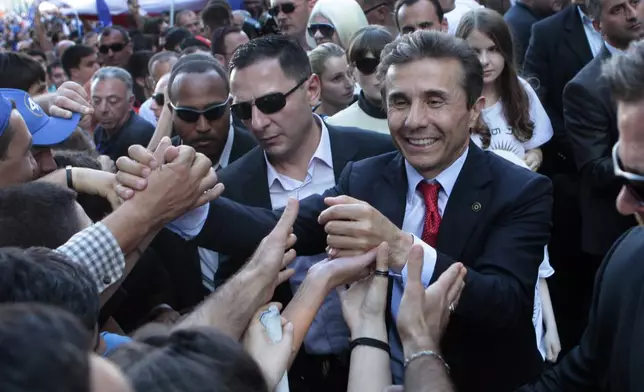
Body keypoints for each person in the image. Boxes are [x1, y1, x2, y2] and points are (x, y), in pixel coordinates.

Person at [116, 30, 552, 392]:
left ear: (475, 107)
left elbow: (506, 302)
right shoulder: (365, 178)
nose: (415, 120)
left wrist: (403, 249)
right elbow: (275, 229)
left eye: (435, 101)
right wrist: (173, 203)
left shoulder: (521, 189)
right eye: (399, 102)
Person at [562, 0, 641, 325]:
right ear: (596, 25)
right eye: (618, 9)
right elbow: (594, 171)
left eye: (635, 2)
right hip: (619, 236)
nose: (633, 14)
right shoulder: (586, 87)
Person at [456, 9, 553, 171]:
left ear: (506, 51)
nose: (484, 61)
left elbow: (534, 144)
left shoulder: (522, 91)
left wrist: (536, 155)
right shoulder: (455, 96)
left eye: (493, 49)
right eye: (475, 51)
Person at [327, 26, 393, 133]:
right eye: (367, 65)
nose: (379, 73)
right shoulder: (337, 126)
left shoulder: (418, 117)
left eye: (387, 63)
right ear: (352, 72)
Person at [91, 67, 155, 161]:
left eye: (113, 101)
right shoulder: (100, 131)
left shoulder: (139, 135)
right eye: (96, 101)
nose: (103, 109)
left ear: (130, 102)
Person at [308, 43, 355, 118]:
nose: (349, 84)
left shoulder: (363, 112)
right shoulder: (313, 125)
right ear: (316, 85)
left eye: (349, 73)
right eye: (337, 78)